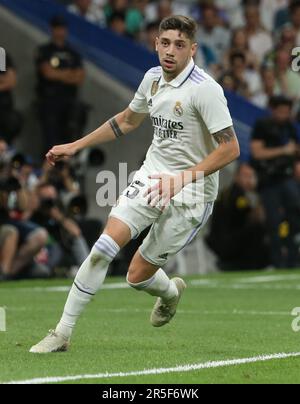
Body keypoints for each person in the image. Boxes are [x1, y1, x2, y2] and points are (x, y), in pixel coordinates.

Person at [30, 15, 240, 353]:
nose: (171, 51)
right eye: (165, 43)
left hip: (192, 193)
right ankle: (62, 333)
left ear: (193, 49)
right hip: (151, 176)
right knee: (103, 247)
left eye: (180, 45)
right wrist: (75, 145)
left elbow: (231, 148)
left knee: (136, 276)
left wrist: (181, 180)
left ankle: (170, 293)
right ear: (156, 43)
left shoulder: (205, 90)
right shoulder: (153, 78)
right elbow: (127, 120)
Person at [251, 95, 300, 268]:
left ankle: (294, 259)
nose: (284, 115)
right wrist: (283, 151)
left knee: (294, 217)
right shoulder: (262, 126)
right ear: (273, 110)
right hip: (269, 181)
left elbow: (295, 152)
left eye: (287, 112)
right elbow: (257, 153)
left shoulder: (290, 127)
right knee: (273, 222)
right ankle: (277, 261)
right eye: (281, 111)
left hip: (287, 179)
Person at [35, 15, 85, 153]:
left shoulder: (73, 52)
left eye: (62, 28)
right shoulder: (45, 50)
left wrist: (58, 74)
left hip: (69, 101)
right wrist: (69, 74)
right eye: (57, 28)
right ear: (52, 29)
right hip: (49, 100)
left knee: (71, 135)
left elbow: (80, 77)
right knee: (50, 138)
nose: (60, 31)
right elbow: (47, 73)